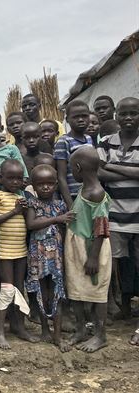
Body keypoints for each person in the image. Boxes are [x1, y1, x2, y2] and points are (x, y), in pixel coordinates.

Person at [96, 97, 139, 343]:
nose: (128, 117)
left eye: (134, 113)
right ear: (117, 115)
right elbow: (98, 171)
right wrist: (132, 170)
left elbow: (106, 169)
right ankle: (121, 307)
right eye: (124, 113)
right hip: (114, 216)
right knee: (115, 267)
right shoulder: (106, 141)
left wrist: (115, 167)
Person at [65, 146, 112, 353]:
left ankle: (100, 335)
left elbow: (101, 229)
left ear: (77, 167)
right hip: (77, 247)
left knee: (97, 292)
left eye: (71, 169)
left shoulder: (96, 193)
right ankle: (81, 329)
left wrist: (93, 257)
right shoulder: (86, 189)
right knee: (75, 289)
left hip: (92, 248)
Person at [24, 165, 74, 352]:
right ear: (34, 187)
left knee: (57, 294)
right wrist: (56, 219)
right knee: (41, 293)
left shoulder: (61, 205)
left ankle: (57, 335)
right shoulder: (33, 204)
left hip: (56, 258)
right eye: (40, 184)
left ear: (56, 185)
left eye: (50, 183)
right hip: (38, 257)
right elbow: (31, 224)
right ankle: (45, 329)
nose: (45, 187)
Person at [0, 159, 37, 349]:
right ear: (1, 178)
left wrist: (25, 210)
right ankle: (0, 331)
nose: (15, 182)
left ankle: (19, 326)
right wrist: (15, 211)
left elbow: (28, 224)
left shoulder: (23, 197)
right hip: (5, 251)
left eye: (19, 178)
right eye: (11, 178)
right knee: (7, 289)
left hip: (21, 250)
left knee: (19, 288)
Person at [54, 100, 93, 206]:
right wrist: (71, 205)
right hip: (74, 196)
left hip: (91, 193)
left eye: (84, 116)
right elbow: (61, 176)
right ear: (67, 119)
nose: (81, 120)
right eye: (76, 117)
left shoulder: (89, 139)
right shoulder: (64, 141)